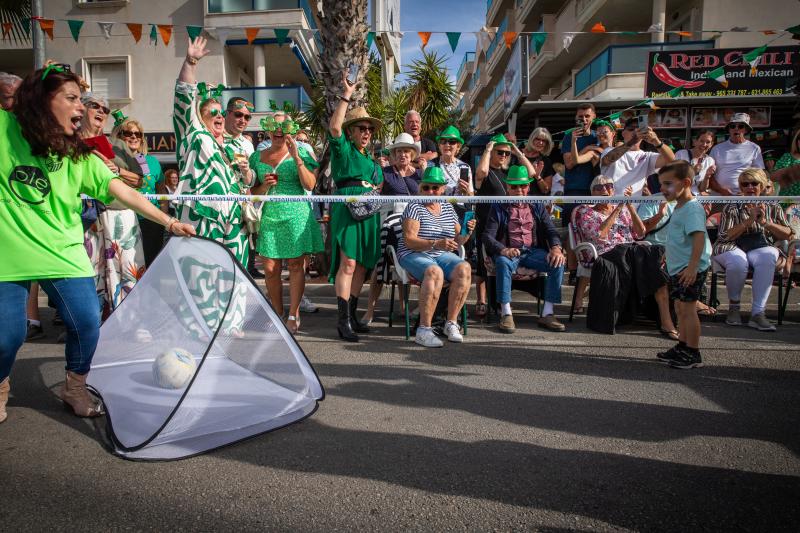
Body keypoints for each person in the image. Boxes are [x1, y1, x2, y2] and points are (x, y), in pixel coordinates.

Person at [0, 64, 194, 423]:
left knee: (87, 322)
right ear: (42, 100)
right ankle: (0, 386)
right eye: (72, 98)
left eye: (81, 100)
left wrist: (169, 220)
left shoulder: (78, 154)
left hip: (61, 251)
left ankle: (74, 386)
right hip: (6, 256)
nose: (80, 107)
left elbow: (123, 192)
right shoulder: (3, 128)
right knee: (6, 336)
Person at [173, 36, 250, 266]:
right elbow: (184, 100)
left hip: (234, 220)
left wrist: (245, 173)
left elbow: (245, 181)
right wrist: (190, 63)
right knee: (201, 278)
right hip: (201, 216)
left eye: (220, 113)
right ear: (200, 117)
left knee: (236, 278)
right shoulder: (194, 135)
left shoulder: (234, 145)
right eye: (212, 113)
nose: (218, 116)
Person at [574, 176, 677, 337]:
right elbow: (600, 235)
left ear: (614, 190)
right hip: (607, 253)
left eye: (609, 186)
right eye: (599, 188)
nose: (605, 190)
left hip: (630, 251)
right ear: (592, 192)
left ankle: (665, 319)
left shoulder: (623, 208)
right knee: (652, 258)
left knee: (656, 255)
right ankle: (666, 321)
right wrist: (618, 208)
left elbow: (640, 232)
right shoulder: (585, 211)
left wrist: (629, 207)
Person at [249, 114, 323, 334]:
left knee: (294, 266)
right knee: (270, 269)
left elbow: (310, 184)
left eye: (284, 126)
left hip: (296, 214)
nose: (279, 130)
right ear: (267, 130)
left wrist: (296, 157)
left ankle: (293, 314)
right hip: (270, 215)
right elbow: (250, 192)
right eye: (274, 126)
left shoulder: (302, 152)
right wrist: (264, 187)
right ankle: (277, 313)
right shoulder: (256, 157)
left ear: (290, 129)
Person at [328, 71, 383, 342]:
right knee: (348, 263)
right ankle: (342, 322)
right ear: (352, 130)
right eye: (362, 128)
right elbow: (334, 128)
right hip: (347, 207)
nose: (367, 132)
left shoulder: (374, 164)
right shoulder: (344, 149)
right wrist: (346, 95)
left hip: (369, 211)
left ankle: (351, 315)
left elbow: (380, 186)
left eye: (370, 129)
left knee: (362, 265)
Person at [81, 96, 147, 315]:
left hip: (119, 214)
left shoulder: (117, 146)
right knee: (89, 271)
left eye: (105, 109)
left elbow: (140, 180)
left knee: (128, 268)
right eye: (95, 107)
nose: (101, 112)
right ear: (81, 109)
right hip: (85, 217)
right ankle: (90, 322)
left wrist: (117, 170)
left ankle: (130, 320)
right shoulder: (68, 142)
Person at [398, 167, 476, 347]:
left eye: (435, 188)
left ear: (442, 189)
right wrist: (435, 243)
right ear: (420, 188)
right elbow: (409, 241)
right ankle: (424, 330)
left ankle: (451, 323)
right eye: (426, 188)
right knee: (434, 272)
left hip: (440, 253)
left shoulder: (448, 207)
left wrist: (468, 230)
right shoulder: (414, 206)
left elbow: (459, 240)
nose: (431, 191)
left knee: (464, 268)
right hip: (413, 253)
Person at [483, 166, 566, 333]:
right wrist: (503, 249)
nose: (519, 190)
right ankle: (506, 313)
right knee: (502, 262)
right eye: (514, 186)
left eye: (522, 186)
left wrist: (556, 248)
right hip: (510, 251)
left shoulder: (537, 205)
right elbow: (487, 236)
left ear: (528, 187)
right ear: (507, 188)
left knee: (557, 262)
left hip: (532, 251)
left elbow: (551, 230)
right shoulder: (498, 206)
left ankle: (548, 313)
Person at [713, 168, 792, 331]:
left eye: (754, 183)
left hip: (759, 245)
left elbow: (788, 233)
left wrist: (766, 223)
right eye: (745, 184)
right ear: (740, 187)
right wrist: (748, 221)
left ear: (762, 185)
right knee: (738, 261)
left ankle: (757, 313)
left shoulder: (773, 205)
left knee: (768, 255)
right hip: (732, 244)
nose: (749, 187)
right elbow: (724, 236)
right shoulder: (732, 205)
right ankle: (734, 307)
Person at [474, 134, 539, 318]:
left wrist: (518, 152)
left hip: (505, 225)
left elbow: (532, 174)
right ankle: (481, 300)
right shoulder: (486, 170)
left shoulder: (509, 172)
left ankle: (499, 302)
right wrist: (487, 149)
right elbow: (480, 174)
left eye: (506, 153)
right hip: (486, 223)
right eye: (500, 152)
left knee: (497, 263)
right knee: (481, 264)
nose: (503, 156)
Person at [655, 161, 712, 369]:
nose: (663, 189)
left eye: (668, 184)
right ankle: (682, 346)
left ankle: (692, 352)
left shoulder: (691, 209)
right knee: (679, 307)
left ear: (686, 182)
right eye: (661, 184)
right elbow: (680, 237)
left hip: (689, 269)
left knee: (688, 310)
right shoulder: (679, 206)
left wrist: (692, 267)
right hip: (679, 267)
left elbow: (698, 238)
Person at [362, 132, 423, 325]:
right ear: (393, 154)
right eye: (398, 151)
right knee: (381, 262)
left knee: (413, 254)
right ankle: (370, 311)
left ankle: (405, 308)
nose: (402, 155)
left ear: (412, 154)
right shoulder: (385, 173)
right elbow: (373, 193)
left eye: (406, 151)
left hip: (414, 224)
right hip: (389, 223)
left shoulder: (420, 175)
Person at [111, 113, 166, 267]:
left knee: (151, 264)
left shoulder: (151, 161)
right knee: (126, 264)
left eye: (138, 134)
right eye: (128, 133)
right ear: (119, 136)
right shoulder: (113, 160)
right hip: (124, 218)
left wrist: (164, 212)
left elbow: (161, 190)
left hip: (151, 221)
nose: (134, 137)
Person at [600, 118, 675, 195]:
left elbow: (671, 161)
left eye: (639, 129)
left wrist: (656, 141)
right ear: (623, 133)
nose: (635, 132)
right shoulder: (609, 150)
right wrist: (633, 141)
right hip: (610, 205)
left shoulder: (647, 156)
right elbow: (607, 160)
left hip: (635, 206)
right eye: (631, 129)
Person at [708, 113, 764, 196]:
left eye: (740, 126)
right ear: (729, 129)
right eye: (733, 126)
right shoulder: (717, 149)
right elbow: (709, 174)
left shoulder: (754, 148)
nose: (736, 129)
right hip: (720, 197)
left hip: (745, 197)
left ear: (746, 130)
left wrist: (747, 191)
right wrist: (721, 190)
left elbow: (759, 175)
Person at [561, 103, 599, 219]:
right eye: (580, 116)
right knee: (571, 228)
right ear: (576, 118)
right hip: (574, 190)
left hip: (596, 190)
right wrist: (586, 148)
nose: (584, 119)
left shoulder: (598, 136)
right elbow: (569, 164)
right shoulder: (569, 137)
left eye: (587, 116)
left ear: (594, 117)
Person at [675, 129, 716, 195]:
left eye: (708, 142)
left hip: (696, 198)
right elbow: (674, 179)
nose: (704, 144)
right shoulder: (681, 154)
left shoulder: (710, 161)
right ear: (695, 141)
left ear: (711, 144)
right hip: (680, 195)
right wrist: (692, 171)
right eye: (701, 141)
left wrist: (707, 176)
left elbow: (702, 189)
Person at [522, 127, 555, 195]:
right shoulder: (518, 155)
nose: (540, 142)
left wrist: (538, 177)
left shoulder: (545, 161)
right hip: (516, 201)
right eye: (538, 139)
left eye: (544, 141)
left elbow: (546, 190)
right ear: (532, 139)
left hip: (536, 203)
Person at [774, 129, 800, 198]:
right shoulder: (788, 157)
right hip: (787, 201)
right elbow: (773, 177)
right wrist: (793, 170)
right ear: (797, 141)